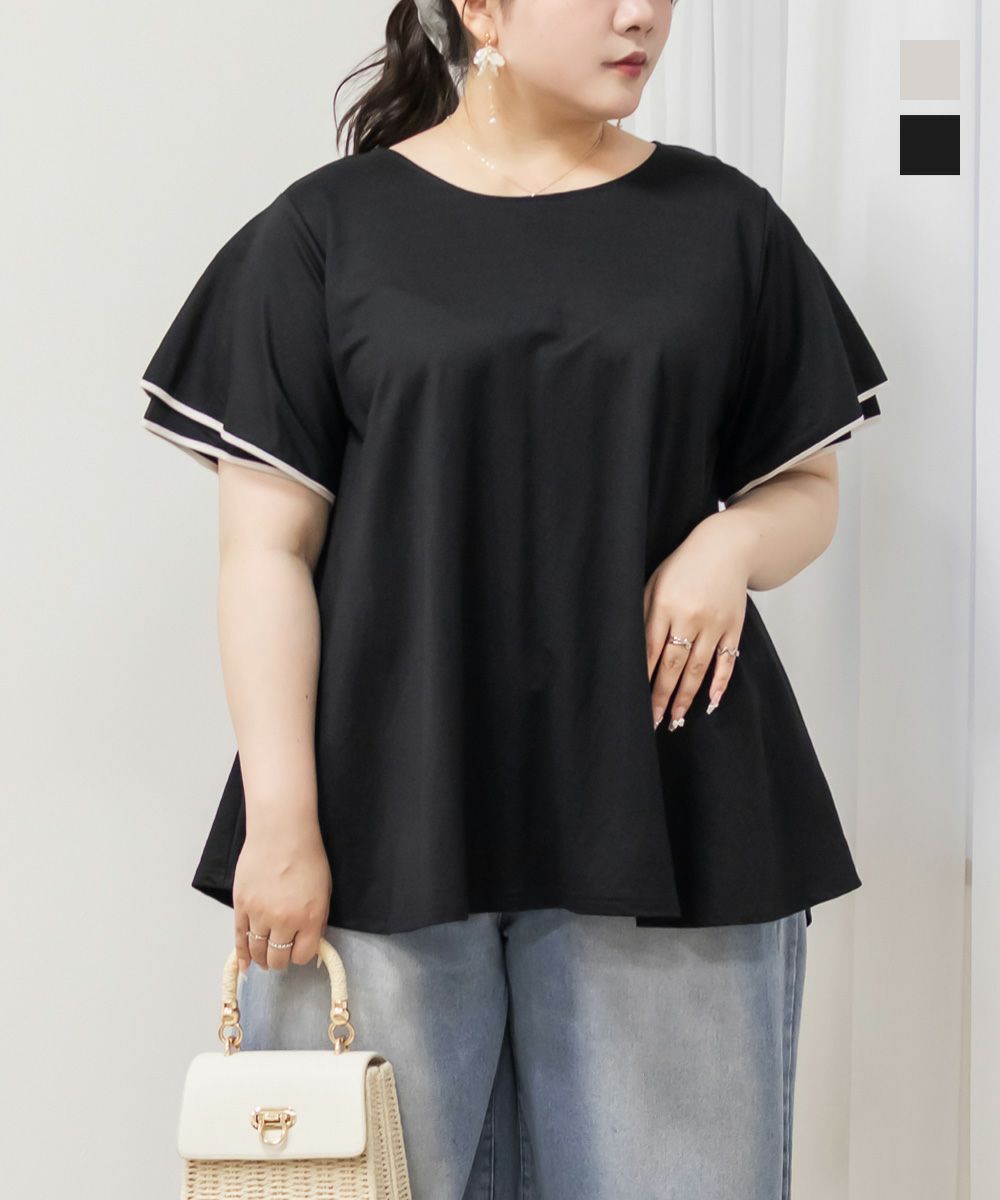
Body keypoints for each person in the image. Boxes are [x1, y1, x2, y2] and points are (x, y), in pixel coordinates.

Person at [140, 1, 888, 1197]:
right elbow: (265, 551)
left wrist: (731, 541)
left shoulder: (724, 223)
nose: (640, 13)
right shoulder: (326, 232)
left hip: (670, 805)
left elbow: (806, 490)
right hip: (383, 813)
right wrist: (281, 820)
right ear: (479, 8)